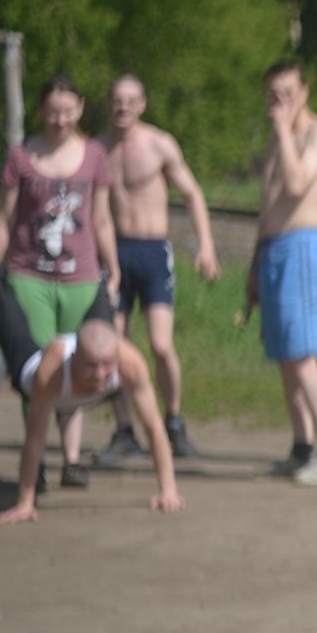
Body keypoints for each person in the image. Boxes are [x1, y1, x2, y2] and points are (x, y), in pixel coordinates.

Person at [0, 74, 120, 490]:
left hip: (81, 277)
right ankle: (34, 460)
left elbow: (102, 219)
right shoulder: (21, 156)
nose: (60, 119)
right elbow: (5, 220)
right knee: (36, 373)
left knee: (77, 369)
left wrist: (114, 271)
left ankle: (72, 460)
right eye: (52, 111)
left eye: (68, 111)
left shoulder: (94, 155)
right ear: (41, 110)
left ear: (79, 109)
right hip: (29, 276)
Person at [0, 279, 183, 524]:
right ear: (75, 357)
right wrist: (26, 503)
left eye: (107, 366)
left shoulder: (130, 362)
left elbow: (153, 427)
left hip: (88, 365)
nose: (100, 374)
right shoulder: (52, 369)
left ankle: (104, 282)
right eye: (91, 366)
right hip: (32, 375)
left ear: (117, 357)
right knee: (4, 312)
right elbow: (35, 438)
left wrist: (168, 490)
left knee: (102, 303)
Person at [95, 74, 218, 466]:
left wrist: (206, 246)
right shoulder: (97, 149)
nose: (123, 107)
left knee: (161, 345)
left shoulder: (159, 143)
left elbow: (192, 193)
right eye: (116, 99)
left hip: (152, 252)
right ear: (108, 103)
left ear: (143, 104)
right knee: (112, 346)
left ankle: (174, 421)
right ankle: (124, 429)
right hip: (113, 254)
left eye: (130, 100)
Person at [242, 59, 317, 485]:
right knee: (285, 356)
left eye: (287, 93)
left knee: (303, 355)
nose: (279, 102)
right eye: (273, 94)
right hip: (273, 250)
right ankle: (303, 446)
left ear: (304, 92)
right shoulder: (277, 139)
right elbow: (267, 205)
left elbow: (297, 184)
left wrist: (285, 130)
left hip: (302, 246)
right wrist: (255, 264)